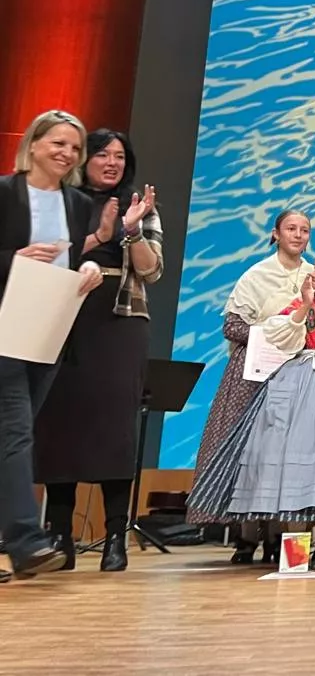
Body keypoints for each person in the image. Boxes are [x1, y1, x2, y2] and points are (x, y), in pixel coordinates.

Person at [187, 248, 315, 570]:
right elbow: (278, 334)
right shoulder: (303, 303)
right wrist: (305, 306)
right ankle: (294, 552)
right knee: (294, 466)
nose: (314, 273)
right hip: (298, 383)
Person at [32, 129, 161, 573]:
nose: (112, 162)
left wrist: (126, 233)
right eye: (103, 154)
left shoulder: (139, 206)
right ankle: (60, 536)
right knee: (60, 424)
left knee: (115, 430)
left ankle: (114, 539)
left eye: (120, 156)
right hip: (64, 314)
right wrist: (95, 236)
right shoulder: (62, 201)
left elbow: (152, 271)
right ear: (85, 158)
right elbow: (44, 258)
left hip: (120, 322)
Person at [0, 110, 108, 581]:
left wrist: (89, 271)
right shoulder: (4, 193)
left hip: (49, 329)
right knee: (15, 435)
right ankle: (26, 541)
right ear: (35, 144)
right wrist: (13, 259)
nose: (65, 153)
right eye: (57, 143)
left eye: (73, 148)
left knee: (12, 439)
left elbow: (72, 258)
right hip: (5, 326)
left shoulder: (79, 202)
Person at [191, 208, 314, 567]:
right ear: (276, 234)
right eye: (291, 228)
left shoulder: (314, 275)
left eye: (304, 230)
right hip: (253, 374)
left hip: (297, 375)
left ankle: (281, 537)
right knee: (250, 453)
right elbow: (232, 326)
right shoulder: (256, 275)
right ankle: (246, 537)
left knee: (288, 455)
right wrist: (275, 337)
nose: (298, 235)